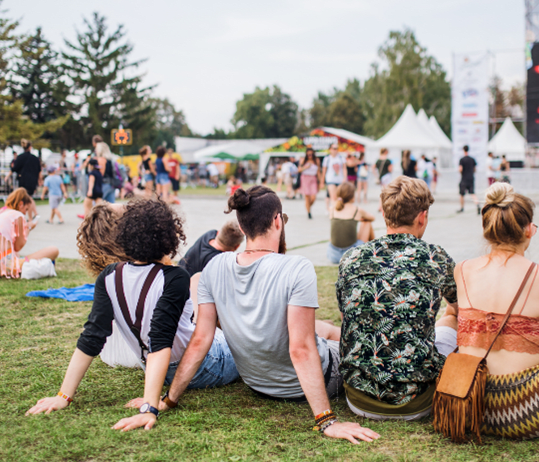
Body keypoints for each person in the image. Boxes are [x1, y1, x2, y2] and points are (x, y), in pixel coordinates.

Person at [161, 186, 380, 444]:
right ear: (278, 220)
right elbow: (301, 349)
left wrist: (168, 399)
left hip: (258, 384)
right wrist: (326, 421)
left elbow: (200, 340)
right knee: (360, 342)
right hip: (306, 381)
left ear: (242, 228)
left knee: (324, 329)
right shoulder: (297, 268)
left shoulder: (214, 266)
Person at [26, 199, 240, 427]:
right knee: (219, 308)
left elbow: (92, 336)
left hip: (157, 370)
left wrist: (63, 396)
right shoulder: (174, 278)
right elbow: (160, 341)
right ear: (172, 236)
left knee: (198, 285)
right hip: (205, 365)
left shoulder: (108, 276)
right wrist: (151, 406)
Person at [454, 182, 539, 440]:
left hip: (469, 405)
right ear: (528, 231)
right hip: (528, 414)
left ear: (487, 231)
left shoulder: (462, 269)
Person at [336, 176, 458, 420]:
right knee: (453, 316)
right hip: (419, 401)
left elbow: (345, 318)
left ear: (384, 214)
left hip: (359, 399)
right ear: (422, 217)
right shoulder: (435, 257)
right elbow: (465, 309)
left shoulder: (351, 257)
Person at [0, 188, 58, 278]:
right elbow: (18, 246)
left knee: (15, 254)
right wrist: (28, 228)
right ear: (21, 204)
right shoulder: (17, 215)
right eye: (26, 209)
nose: (25, 213)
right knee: (54, 250)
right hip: (5, 266)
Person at [327, 182, 375, 264]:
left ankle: (373, 252)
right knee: (367, 223)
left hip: (333, 255)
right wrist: (360, 219)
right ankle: (375, 251)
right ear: (352, 195)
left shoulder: (332, 209)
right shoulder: (356, 210)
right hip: (351, 256)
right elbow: (372, 218)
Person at [178, 220, 244, 277]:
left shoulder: (210, 234)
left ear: (218, 232)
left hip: (180, 270)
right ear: (236, 247)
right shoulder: (219, 261)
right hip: (189, 287)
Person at [321, 144, 346, 211]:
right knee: (333, 197)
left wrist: (345, 177)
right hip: (330, 180)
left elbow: (344, 168)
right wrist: (322, 182)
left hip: (339, 180)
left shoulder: (341, 158)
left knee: (339, 197)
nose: (336, 150)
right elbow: (324, 171)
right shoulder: (327, 159)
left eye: (337, 148)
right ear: (330, 149)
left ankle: (336, 209)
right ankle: (333, 211)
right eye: (334, 148)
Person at [298, 148, 321, 219]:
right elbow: (299, 170)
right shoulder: (303, 160)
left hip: (313, 178)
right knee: (307, 196)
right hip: (305, 178)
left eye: (311, 154)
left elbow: (318, 171)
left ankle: (308, 206)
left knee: (313, 196)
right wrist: (306, 167)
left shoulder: (316, 160)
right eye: (308, 154)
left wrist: (320, 182)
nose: (310, 156)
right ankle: (309, 212)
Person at [94, 137, 117, 204]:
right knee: (111, 205)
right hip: (111, 184)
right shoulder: (110, 160)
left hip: (104, 184)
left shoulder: (102, 159)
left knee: (97, 204)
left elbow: (101, 174)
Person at [457, 145, 479, 214]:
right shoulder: (472, 159)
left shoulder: (462, 159)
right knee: (472, 193)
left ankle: (462, 208)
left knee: (462, 194)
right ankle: (477, 204)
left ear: (463, 150)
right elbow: (475, 169)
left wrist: (461, 172)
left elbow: (460, 169)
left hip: (464, 178)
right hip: (471, 178)